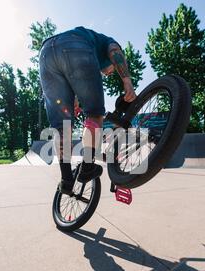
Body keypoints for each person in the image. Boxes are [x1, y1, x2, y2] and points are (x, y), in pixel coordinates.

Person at [39, 26, 137, 195]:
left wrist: (74, 100)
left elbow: (72, 77)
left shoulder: (91, 43)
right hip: (76, 46)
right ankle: (87, 167)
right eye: (110, 70)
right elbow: (115, 51)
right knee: (94, 113)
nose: (107, 73)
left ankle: (66, 179)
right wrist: (127, 81)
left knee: (61, 125)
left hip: (46, 54)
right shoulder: (107, 41)